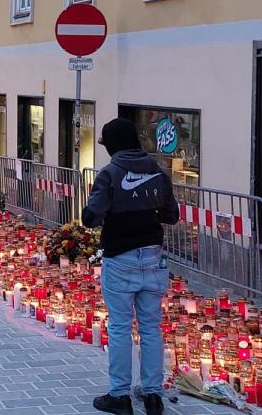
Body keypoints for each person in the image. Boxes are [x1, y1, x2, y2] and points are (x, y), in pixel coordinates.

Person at [81, 118, 180, 415]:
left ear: (113, 145)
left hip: (121, 256)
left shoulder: (110, 174)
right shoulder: (157, 171)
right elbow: (172, 215)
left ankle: (120, 396)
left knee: (121, 327)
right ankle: (153, 397)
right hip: (153, 257)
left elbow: (90, 217)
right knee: (151, 327)